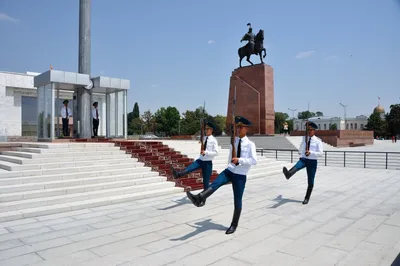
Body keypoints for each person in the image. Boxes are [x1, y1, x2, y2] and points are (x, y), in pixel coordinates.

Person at [186, 116, 257, 234]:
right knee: (216, 183)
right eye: (237, 127)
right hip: (230, 171)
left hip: (240, 175)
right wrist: (230, 165)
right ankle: (199, 198)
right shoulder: (234, 141)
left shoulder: (250, 144)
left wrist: (239, 160)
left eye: (241, 127)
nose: (238, 129)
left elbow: (253, 161)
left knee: (237, 199)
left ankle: (234, 225)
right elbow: (230, 158)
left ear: (246, 129)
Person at [171, 121, 219, 204]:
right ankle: (178, 174)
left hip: (207, 163)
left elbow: (216, 152)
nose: (206, 130)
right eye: (205, 129)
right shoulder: (204, 138)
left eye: (207, 129)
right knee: (190, 168)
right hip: (200, 160)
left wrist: (206, 152)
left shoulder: (214, 140)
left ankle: (203, 200)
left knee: (206, 182)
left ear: (211, 130)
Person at [282, 121, 323, 204]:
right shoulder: (305, 138)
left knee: (310, 180)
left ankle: (307, 198)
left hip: (312, 161)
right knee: (297, 166)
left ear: (314, 131)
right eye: (308, 130)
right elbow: (302, 145)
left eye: (310, 130)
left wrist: (311, 152)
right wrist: (300, 152)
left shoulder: (318, 141)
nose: (309, 132)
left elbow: (321, 153)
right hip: (304, 159)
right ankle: (288, 174)